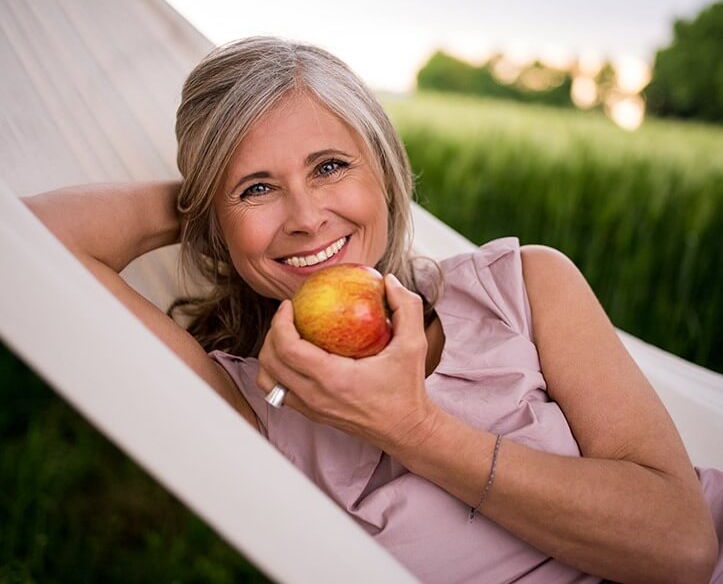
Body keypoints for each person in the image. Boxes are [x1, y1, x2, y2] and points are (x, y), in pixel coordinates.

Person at [24, 36, 722, 584]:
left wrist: (411, 429)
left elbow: (684, 549)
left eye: (329, 167)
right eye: (259, 188)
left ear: (384, 172)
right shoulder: (245, 401)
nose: (306, 218)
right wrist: (209, 203)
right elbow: (25, 242)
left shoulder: (523, 288)